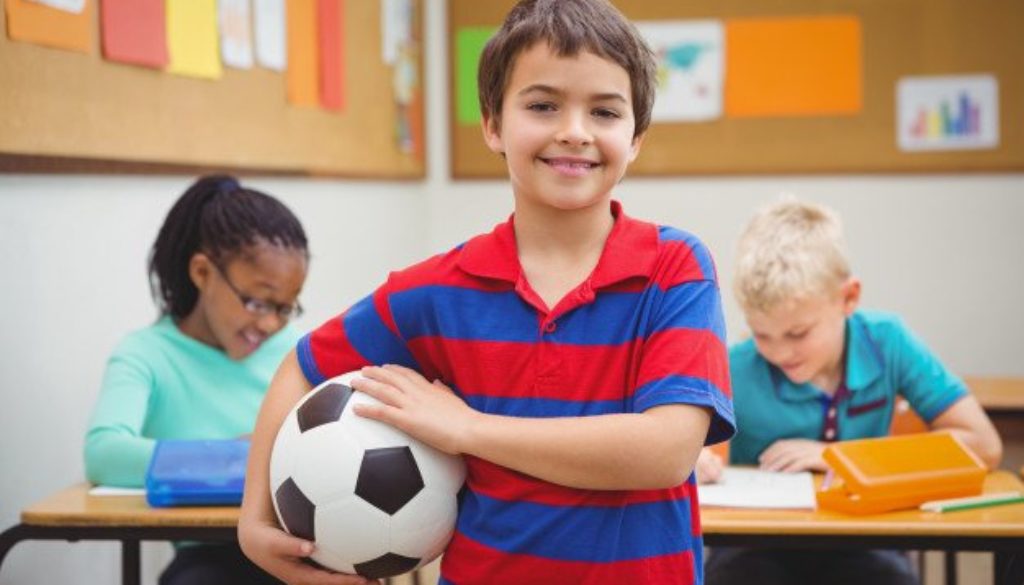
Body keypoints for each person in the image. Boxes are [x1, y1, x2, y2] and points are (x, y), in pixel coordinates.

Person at [238, 1, 735, 584]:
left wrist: (468, 429)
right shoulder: (438, 289)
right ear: (494, 124)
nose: (573, 131)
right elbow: (302, 366)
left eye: (604, 111)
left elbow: (665, 451)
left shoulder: (674, 269)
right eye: (543, 105)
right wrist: (254, 520)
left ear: (635, 138)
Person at [699, 198, 1002, 585]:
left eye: (798, 333)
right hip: (757, 543)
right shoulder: (736, 365)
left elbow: (983, 444)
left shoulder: (888, 342)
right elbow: (676, 443)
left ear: (848, 298)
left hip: (864, 536)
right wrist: (693, 460)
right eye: (762, 334)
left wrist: (839, 457)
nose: (779, 351)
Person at [84, 175, 309, 585]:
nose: (271, 323)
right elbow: (103, 454)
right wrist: (236, 454)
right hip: (211, 556)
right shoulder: (147, 354)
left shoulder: (298, 352)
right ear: (202, 272)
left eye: (285, 308)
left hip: (303, 543)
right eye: (257, 302)